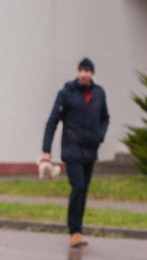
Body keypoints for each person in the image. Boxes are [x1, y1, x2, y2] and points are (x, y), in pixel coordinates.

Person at [41, 57, 110, 247]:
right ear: (78, 72)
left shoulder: (99, 93)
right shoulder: (66, 93)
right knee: (78, 186)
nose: (83, 74)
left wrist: (100, 136)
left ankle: (78, 229)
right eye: (81, 70)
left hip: (90, 150)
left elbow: (105, 118)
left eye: (87, 71)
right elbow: (52, 122)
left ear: (92, 74)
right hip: (72, 149)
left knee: (83, 190)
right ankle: (74, 231)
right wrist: (46, 150)